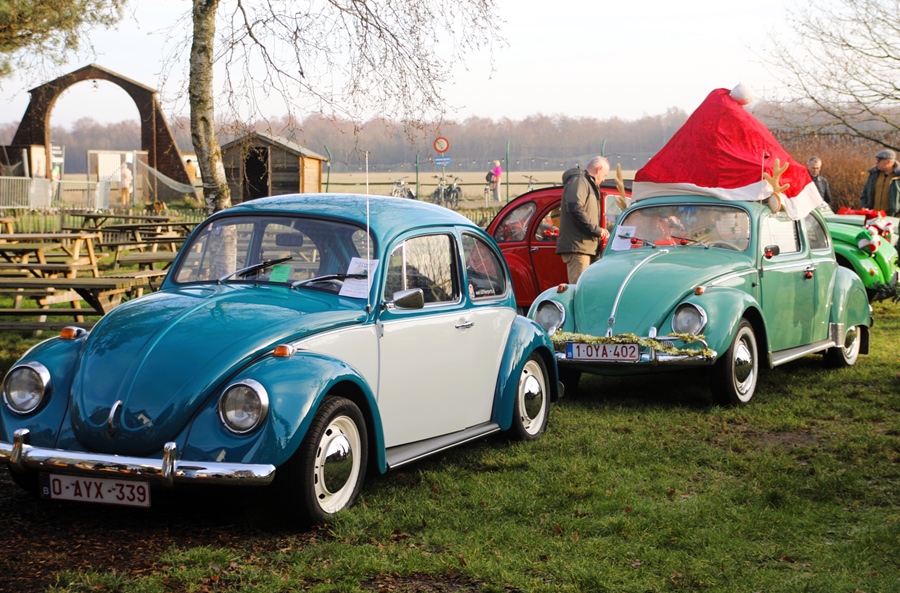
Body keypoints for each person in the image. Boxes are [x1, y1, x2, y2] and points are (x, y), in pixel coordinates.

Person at [555, 156, 611, 283]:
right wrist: (597, 230)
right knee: (579, 286)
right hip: (579, 247)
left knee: (589, 287)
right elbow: (575, 208)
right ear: (599, 169)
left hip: (588, 247)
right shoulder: (579, 181)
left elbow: (595, 216)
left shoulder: (589, 185)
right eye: (604, 175)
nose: (604, 179)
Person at [860, 149, 900, 216]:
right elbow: (864, 194)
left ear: (888, 162)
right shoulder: (873, 175)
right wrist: (866, 208)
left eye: (879, 161)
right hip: (873, 216)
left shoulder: (898, 177)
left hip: (893, 218)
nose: (876, 163)